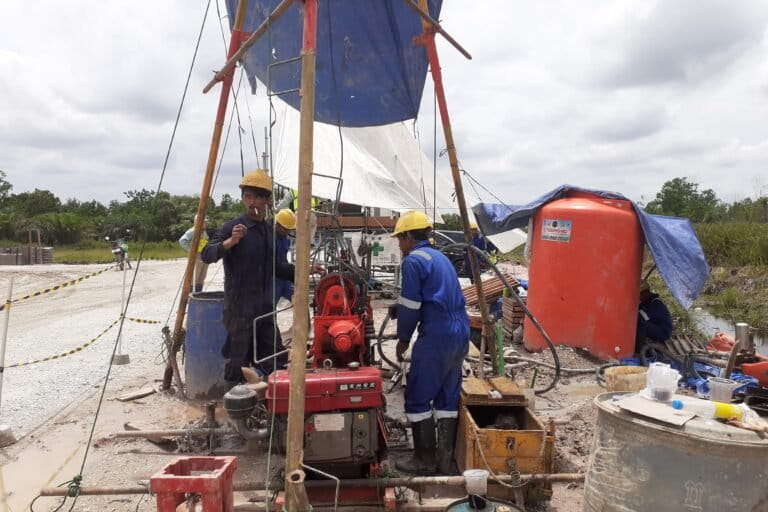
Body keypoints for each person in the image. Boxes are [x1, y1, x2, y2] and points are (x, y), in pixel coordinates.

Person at [201, 169, 321, 385]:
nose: (252, 201)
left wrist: (304, 271)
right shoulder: (233, 228)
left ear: (267, 201)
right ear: (242, 199)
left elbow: (277, 267)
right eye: (248, 196)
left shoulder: (268, 231)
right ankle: (234, 414)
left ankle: (270, 410)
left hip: (264, 310)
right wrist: (230, 243)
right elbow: (207, 254)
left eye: (257, 196)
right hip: (239, 311)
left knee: (275, 359)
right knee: (238, 363)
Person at [392, 210, 469, 475]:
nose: (399, 246)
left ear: (408, 237)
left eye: (399, 240)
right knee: (447, 396)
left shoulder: (413, 261)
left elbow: (412, 306)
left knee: (417, 396)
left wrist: (403, 339)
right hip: (460, 331)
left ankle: (424, 460)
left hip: (437, 334)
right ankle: (445, 461)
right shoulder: (441, 257)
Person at [636, 280, 673, 351]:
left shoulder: (656, 304)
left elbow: (646, 318)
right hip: (655, 328)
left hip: (663, 332)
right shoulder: (647, 303)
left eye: (640, 294)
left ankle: (640, 350)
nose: (639, 297)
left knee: (640, 322)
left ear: (646, 293)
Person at [179, 215, 209, 292]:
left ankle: (199, 293)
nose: (206, 223)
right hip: (196, 256)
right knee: (193, 277)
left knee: (201, 277)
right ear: (198, 221)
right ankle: (190, 296)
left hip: (203, 256)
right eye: (204, 222)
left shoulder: (204, 232)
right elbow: (182, 241)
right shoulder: (193, 231)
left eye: (206, 222)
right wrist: (191, 252)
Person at [274, 208, 296, 305]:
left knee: (299, 299)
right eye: (285, 228)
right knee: (269, 308)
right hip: (273, 278)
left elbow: (284, 259)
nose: (288, 231)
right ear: (277, 225)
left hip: (284, 277)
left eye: (289, 229)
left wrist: (292, 275)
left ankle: (304, 320)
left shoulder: (286, 239)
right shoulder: (269, 239)